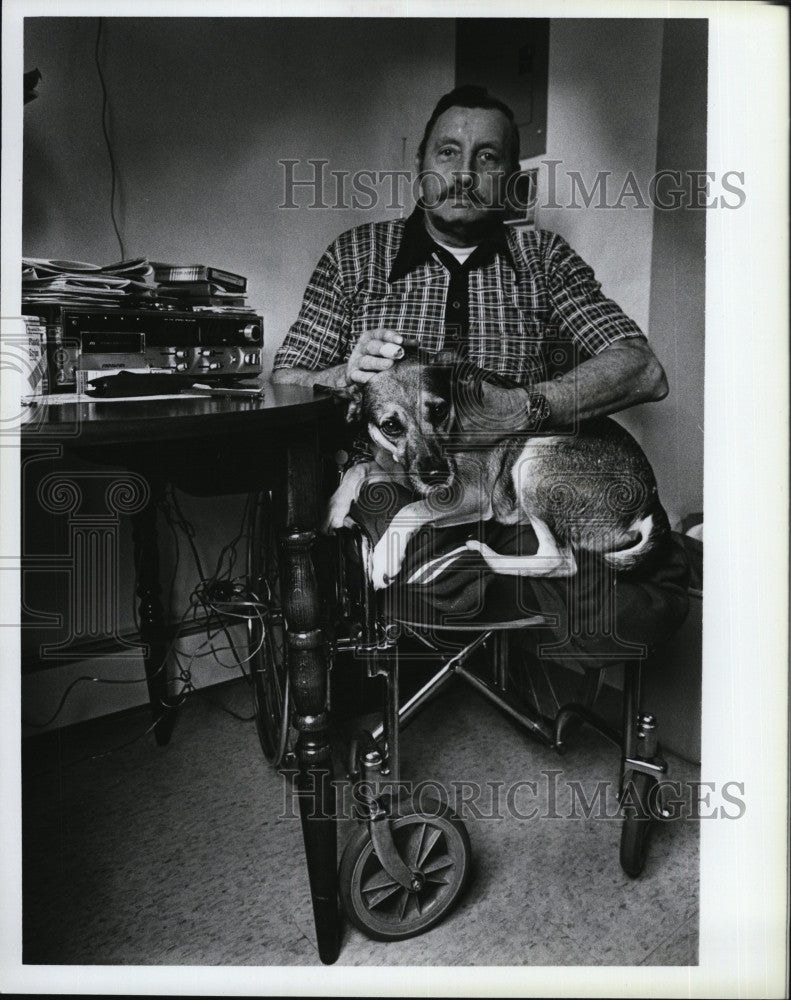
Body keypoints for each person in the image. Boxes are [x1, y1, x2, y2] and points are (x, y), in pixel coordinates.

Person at [272, 86, 689, 663]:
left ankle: (530, 574)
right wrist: (344, 374)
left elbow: (642, 369)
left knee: (645, 600)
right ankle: (541, 579)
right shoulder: (355, 255)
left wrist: (521, 409)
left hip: (512, 479)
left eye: (488, 158)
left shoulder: (544, 256)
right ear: (419, 166)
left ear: (513, 181)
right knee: (605, 593)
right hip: (403, 482)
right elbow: (284, 381)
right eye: (447, 152)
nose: (464, 173)